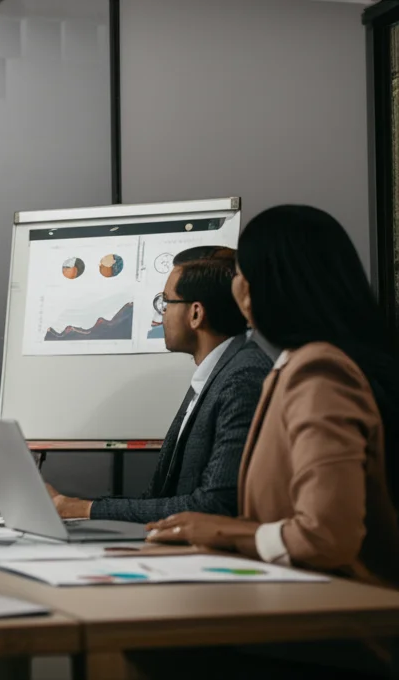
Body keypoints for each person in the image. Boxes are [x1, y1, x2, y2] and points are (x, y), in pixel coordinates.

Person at [147, 205, 399, 591]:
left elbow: (325, 536)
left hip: (332, 625)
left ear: (255, 289)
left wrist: (225, 532)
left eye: (242, 274)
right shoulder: (296, 367)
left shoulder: (318, 372)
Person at [48, 247, 273, 524]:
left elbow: (213, 506)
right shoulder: (217, 373)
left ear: (195, 314)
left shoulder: (242, 377)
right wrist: (77, 506)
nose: (161, 315)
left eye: (165, 303)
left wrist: (83, 509)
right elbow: (160, 496)